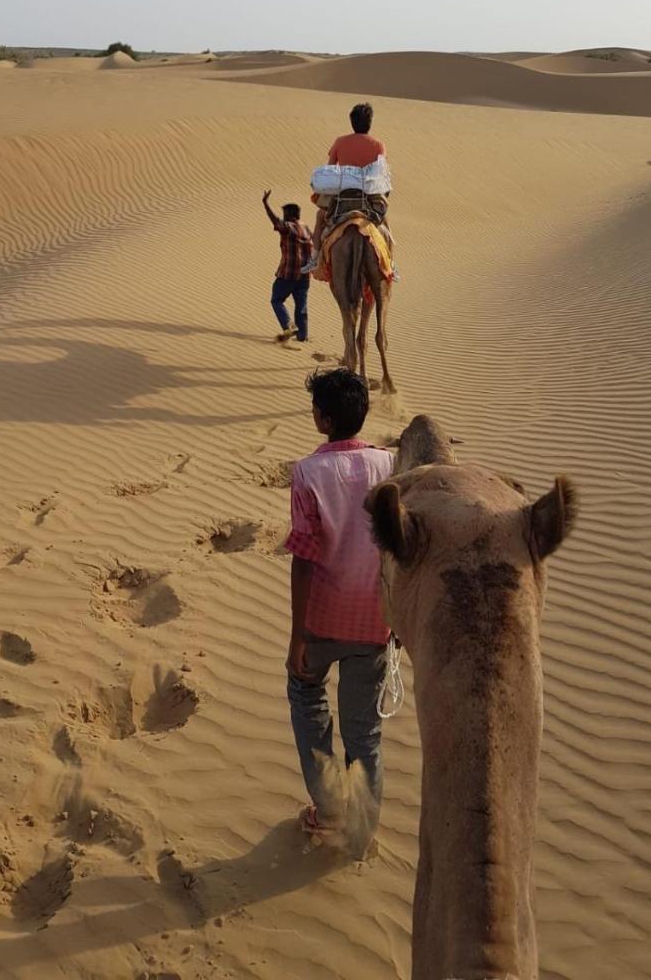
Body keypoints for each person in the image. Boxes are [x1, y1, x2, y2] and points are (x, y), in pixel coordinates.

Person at [285, 368, 394, 836]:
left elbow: (304, 560)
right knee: (364, 733)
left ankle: (328, 811)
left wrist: (296, 638)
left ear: (323, 420)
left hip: (323, 620)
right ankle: (362, 831)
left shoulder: (308, 473)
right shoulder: (391, 466)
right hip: (375, 623)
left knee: (306, 694)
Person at [300, 102, 392, 275]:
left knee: (320, 217)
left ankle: (314, 258)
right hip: (368, 198)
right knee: (385, 222)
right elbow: (381, 173)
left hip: (343, 196)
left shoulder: (340, 142)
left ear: (352, 122)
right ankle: (390, 263)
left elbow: (330, 168)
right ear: (370, 123)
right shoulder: (379, 145)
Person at [262, 190, 312, 342]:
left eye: (285, 214)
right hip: (304, 276)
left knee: (276, 300)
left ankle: (288, 326)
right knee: (301, 306)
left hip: (288, 275)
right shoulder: (306, 228)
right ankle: (302, 336)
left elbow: (276, 222)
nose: (283, 216)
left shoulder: (289, 227)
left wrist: (265, 204)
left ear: (291, 215)